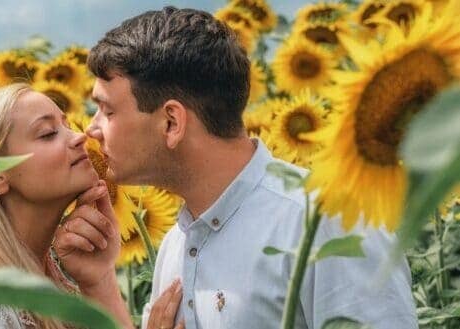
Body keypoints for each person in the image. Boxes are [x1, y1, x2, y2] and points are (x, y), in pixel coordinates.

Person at [76, 6, 418, 329]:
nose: (91, 129)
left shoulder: (326, 224)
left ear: (171, 123)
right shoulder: (176, 244)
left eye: (107, 111)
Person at [0, 83, 134, 329]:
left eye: (67, 125)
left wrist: (100, 281)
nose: (80, 137)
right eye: (48, 133)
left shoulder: (54, 285)